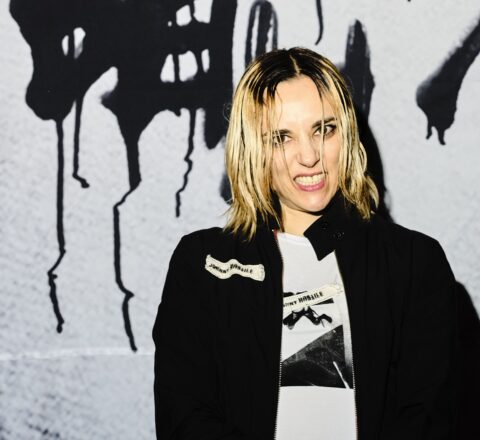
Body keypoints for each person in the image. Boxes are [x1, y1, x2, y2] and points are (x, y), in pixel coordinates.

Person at [153, 47, 457, 439]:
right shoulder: (202, 264)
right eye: (282, 138)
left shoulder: (412, 262)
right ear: (254, 147)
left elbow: (428, 418)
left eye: (323, 129)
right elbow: (184, 416)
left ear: (346, 134)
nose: (309, 156)